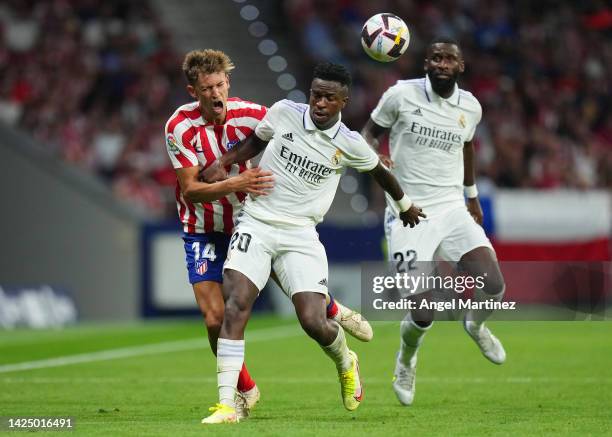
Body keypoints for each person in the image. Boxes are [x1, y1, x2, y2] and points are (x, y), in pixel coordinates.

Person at [200, 62, 426, 424]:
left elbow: (382, 175)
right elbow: (256, 140)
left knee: (312, 321)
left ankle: (344, 359)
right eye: (315, 95)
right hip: (256, 222)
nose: (319, 103)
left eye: (328, 98)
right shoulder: (284, 113)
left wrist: (405, 206)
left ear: (343, 101)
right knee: (236, 303)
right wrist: (225, 162)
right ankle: (228, 403)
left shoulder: (350, 143)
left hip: (300, 235)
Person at [163, 50, 374, 420]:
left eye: (219, 85)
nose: (215, 93)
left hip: (254, 219)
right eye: (206, 88)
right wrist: (238, 179)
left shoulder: (253, 114)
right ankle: (243, 390)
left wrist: (365, 159)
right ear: (193, 90)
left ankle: (332, 308)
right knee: (216, 318)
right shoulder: (178, 127)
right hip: (204, 228)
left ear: (228, 83)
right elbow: (191, 190)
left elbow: (303, 130)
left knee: (301, 297)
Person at [361, 36, 507, 407]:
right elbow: (367, 134)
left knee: (494, 283)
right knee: (423, 311)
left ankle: (475, 324)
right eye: (435, 58)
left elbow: (467, 145)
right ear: (426, 64)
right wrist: (376, 156)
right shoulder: (400, 95)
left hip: (452, 207)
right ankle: (406, 361)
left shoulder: (470, 107)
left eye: (449, 59)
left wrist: (471, 194)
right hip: (408, 212)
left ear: (460, 67)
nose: (442, 63)